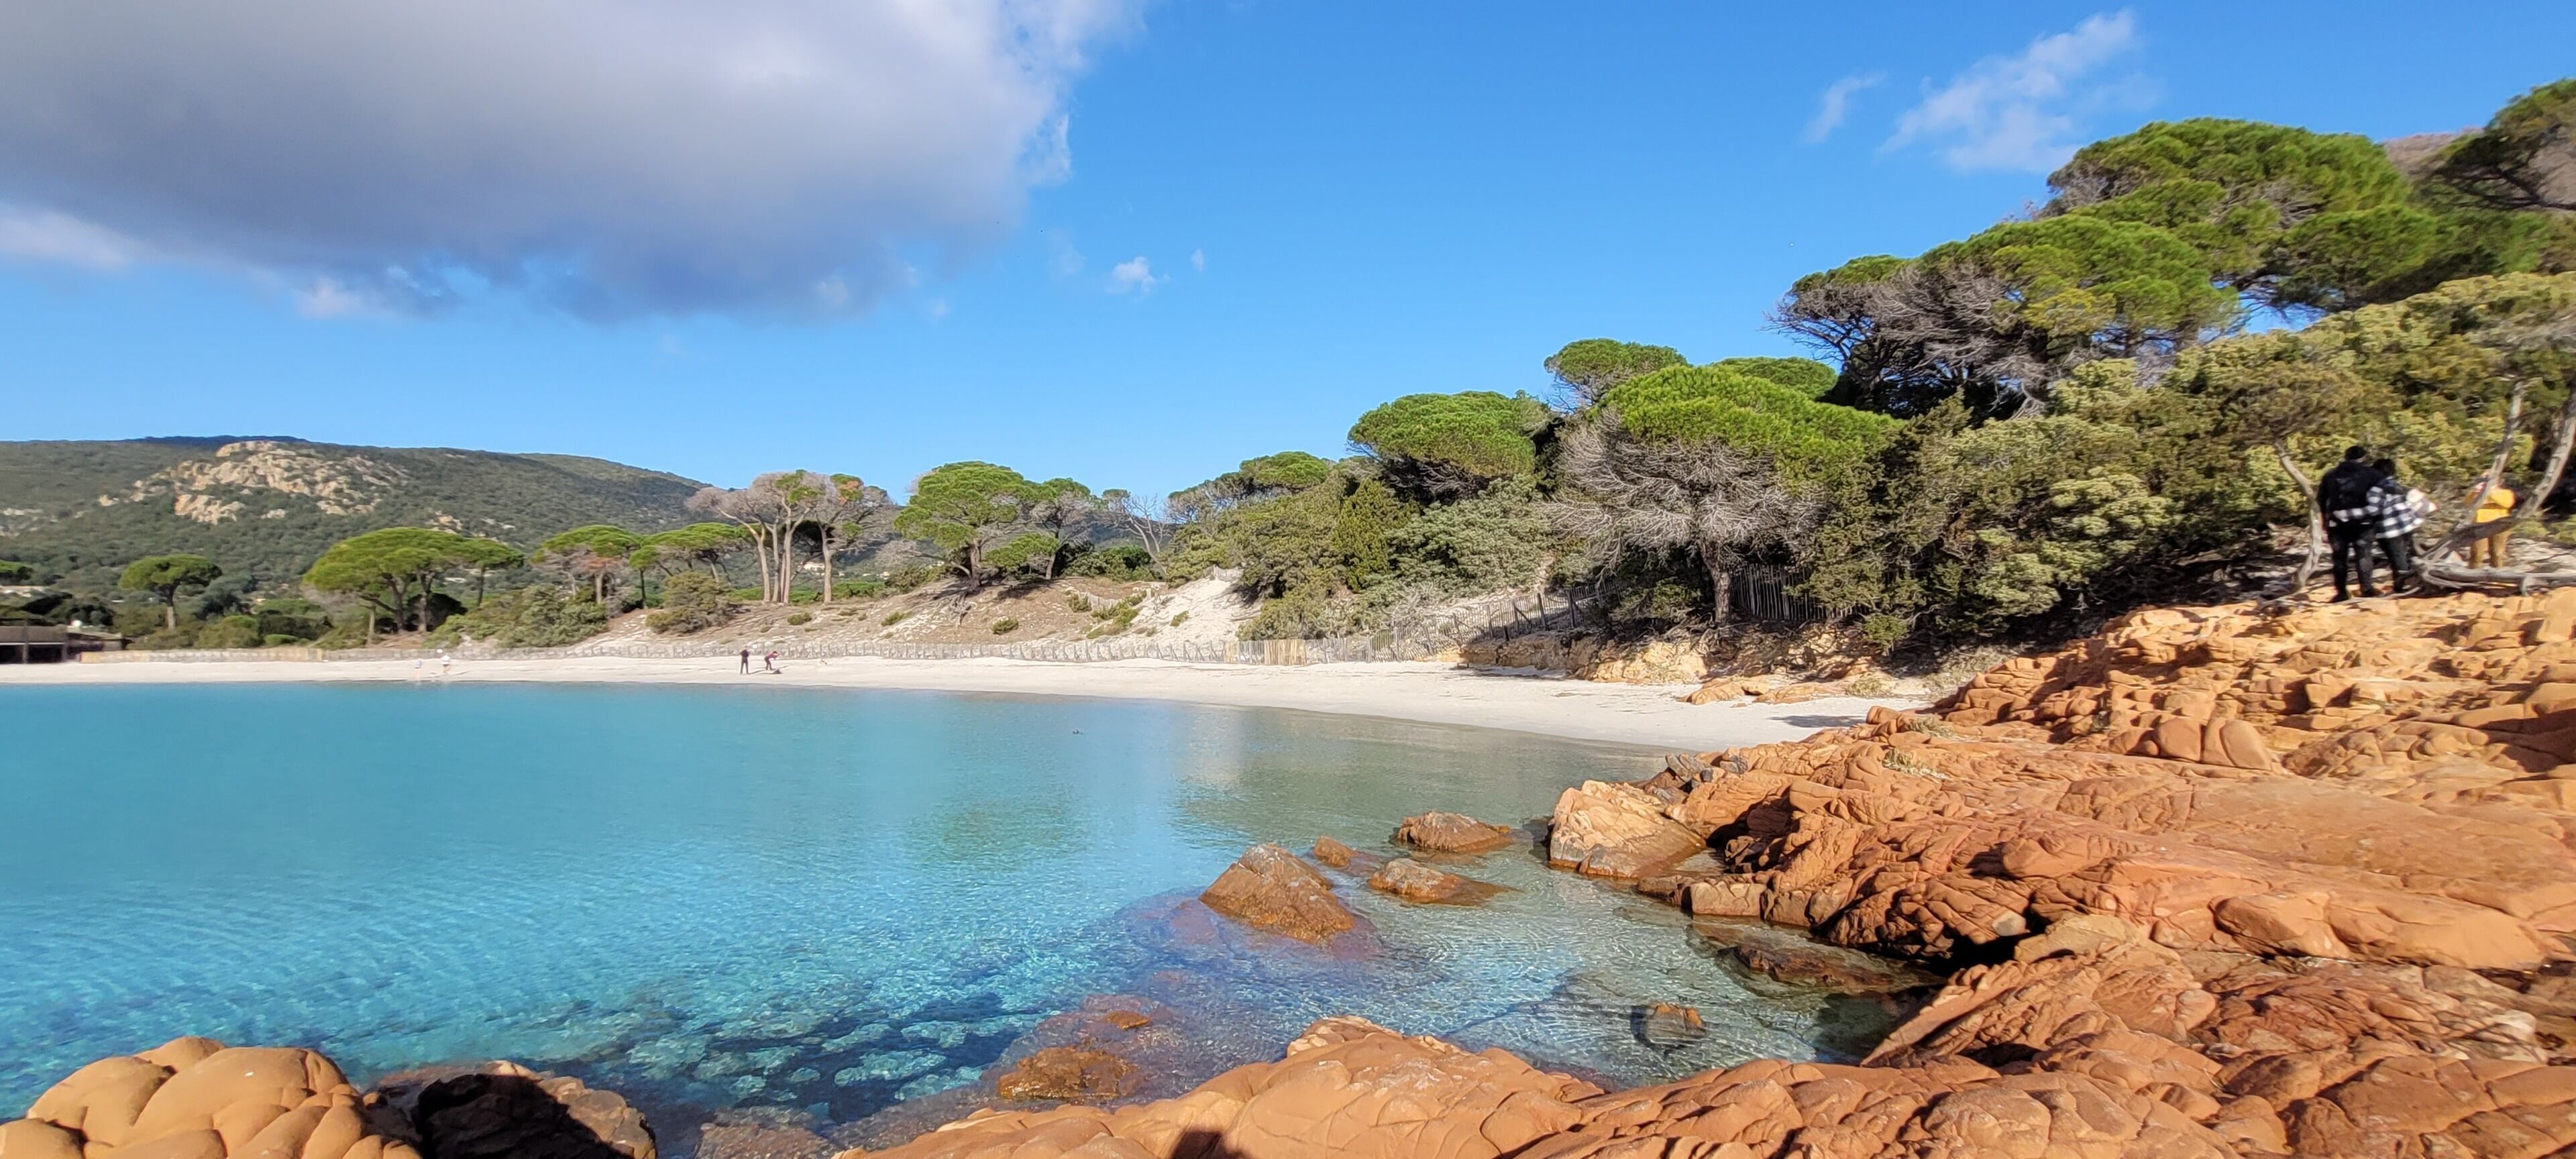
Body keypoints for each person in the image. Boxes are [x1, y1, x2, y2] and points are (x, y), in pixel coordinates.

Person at [2317, 446, 2386, 602]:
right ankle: (2367, 589)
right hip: (2363, 521)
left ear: (2345, 457)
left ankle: (2341, 592)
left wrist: (2324, 520)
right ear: (2363, 457)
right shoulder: (2372, 474)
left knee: (2339, 558)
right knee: (2364, 554)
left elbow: (2322, 499)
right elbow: (2382, 494)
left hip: (2336, 522)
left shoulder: (2330, 475)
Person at [2366, 457, 2428, 592]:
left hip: (2387, 530)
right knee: (2403, 555)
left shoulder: (2375, 490)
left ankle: (2403, 585)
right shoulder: (2398, 486)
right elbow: (2423, 504)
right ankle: (2406, 582)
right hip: (2405, 526)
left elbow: (2373, 510)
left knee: (2397, 558)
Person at [2467, 474, 2518, 569]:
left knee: (2497, 553)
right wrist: (2475, 492)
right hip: (2480, 525)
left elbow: (2507, 504)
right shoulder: (2478, 493)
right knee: (2477, 552)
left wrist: (2490, 492)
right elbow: (2468, 502)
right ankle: (2473, 574)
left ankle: (2497, 575)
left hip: (2499, 525)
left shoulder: (2506, 492)